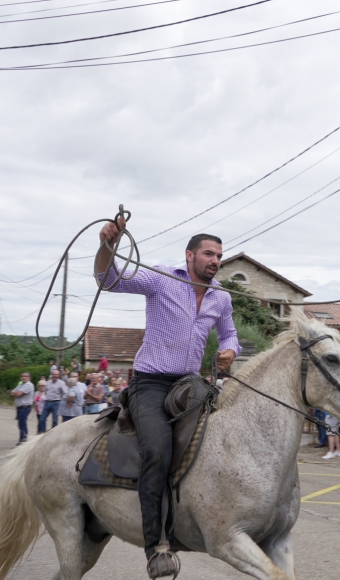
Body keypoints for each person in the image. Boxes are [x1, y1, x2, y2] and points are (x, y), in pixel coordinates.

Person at [96, 219, 240, 579]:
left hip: (191, 385)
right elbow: (108, 279)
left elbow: (230, 335)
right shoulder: (162, 278)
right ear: (190, 255)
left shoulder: (221, 297)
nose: (215, 260)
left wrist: (229, 351)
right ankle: (156, 546)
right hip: (150, 384)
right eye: (209, 254)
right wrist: (106, 246)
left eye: (219, 256)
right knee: (158, 450)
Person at [10, 373, 35, 445]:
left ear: (29, 378)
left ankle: (23, 439)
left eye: (26, 376)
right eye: (22, 376)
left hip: (25, 407)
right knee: (20, 424)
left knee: (22, 423)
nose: (24, 377)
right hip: (20, 407)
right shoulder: (21, 384)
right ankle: (23, 438)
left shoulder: (28, 385)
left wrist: (16, 393)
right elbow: (12, 392)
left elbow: (18, 394)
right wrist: (15, 393)